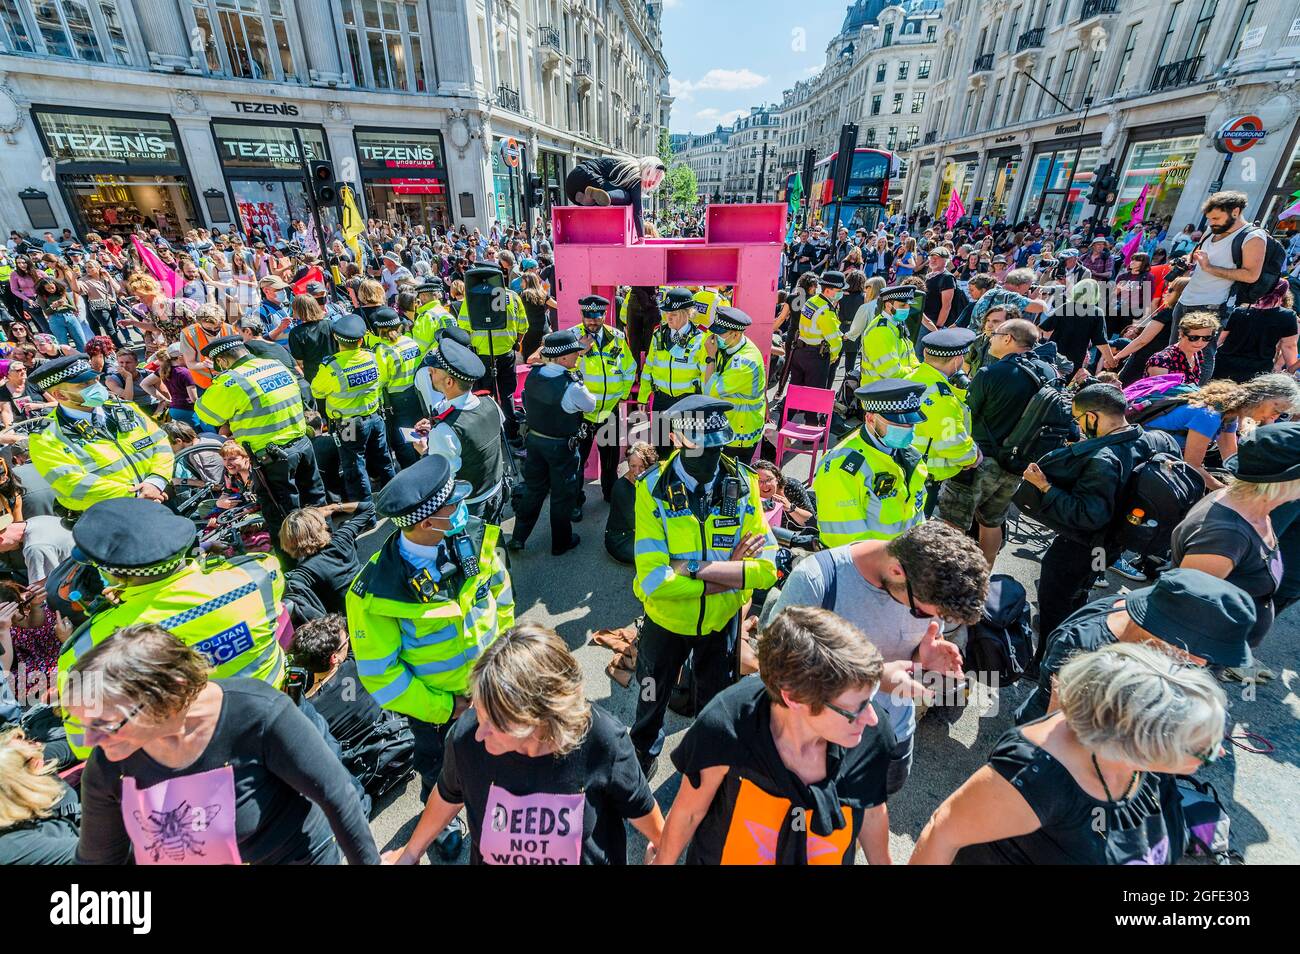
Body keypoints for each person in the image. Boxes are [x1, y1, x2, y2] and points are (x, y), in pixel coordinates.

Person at [68, 624, 378, 865]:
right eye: (83, 725)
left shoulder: (259, 713)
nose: (91, 741)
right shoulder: (108, 764)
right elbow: (97, 860)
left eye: (106, 725)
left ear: (171, 694)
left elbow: (337, 797)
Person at [911, 643, 1226, 865]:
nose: (1219, 751)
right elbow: (943, 832)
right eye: (1206, 749)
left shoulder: (1147, 765)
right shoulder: (1037, 777)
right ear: (1142, 742)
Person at [347, 454, 513, 857]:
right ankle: (443, 817)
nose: (463, 510)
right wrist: (446, 708)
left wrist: (506, 664)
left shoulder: (477, 539)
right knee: (439, 765)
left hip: (494, 688)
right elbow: (381, 675)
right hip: (437, 711)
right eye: (452, 505)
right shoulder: (374, 593)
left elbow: (502, 601)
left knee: (500, 752)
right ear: (426, 522)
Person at [385, 623, 663, 865]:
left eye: (494, 724)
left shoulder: (601, 739)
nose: (479, 733)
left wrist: (662, 848)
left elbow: (640, 806)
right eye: (478, 713)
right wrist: (410, 853)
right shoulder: (467, 737)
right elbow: (448, 794)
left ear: (537, 718)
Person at [653, 606, 893, 865]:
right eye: (855, 708)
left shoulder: (870, 736)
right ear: (794, 699)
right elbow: (689, 812)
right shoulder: (726, 728)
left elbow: (871, 810)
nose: (872, 718)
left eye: (869, 699)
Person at [766, 521, 988, 795]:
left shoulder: (924, 588)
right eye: (921, 612)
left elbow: (910, 654)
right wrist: (874, 678)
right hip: (823, 746)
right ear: (897, 571)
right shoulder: (817, 581)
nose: (929, 620)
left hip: (893, 737)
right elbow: (775, 671)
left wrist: (923, 657)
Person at [55, 497, 288, 758]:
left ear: (112, 573)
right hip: (283, 722)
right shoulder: (259, 574)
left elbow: (83, 744)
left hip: (201, 765)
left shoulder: (87, 648)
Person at [629, 394, 778, 775]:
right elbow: (653, 579)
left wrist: (691, 569)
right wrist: (726, 571)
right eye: (702, 448)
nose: (712, 457)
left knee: (716, 700)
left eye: (717, 446)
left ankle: (709, 764)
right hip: (666, 623)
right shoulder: (652, 489)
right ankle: (642, 755)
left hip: (721, 623)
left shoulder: (743, 484)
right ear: (678, 440)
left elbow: (765, 570)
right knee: (651, 695)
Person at [1018, 384, 1178, 644]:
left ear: (1092, 417)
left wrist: (1044, 487)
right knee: (1084, 585)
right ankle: (1069, 627)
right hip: (1113, 547)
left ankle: (1047, 657)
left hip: (1081, 546)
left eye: (1078, 419)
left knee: (1055, 596)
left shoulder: (1103, 459)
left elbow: (1088, 516)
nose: (1079, 427)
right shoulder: (1158, 440)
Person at [1015, 569, 1255, 725]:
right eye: (1204, 651)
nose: (1204, 663)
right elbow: (1056, 727)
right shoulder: (1083, 648)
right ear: (1168, 635)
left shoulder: (1152, 621)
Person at [1172, 421, 1300, 678]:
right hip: (1192, 664)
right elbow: (1178, 615)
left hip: (1218, 651)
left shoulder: (1255, 509)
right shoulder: (1226, 536)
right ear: (1284, 481)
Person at [938, 318, 1052, 566]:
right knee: (992, 522)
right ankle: (983, 575)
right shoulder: (1046, 372)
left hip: (979, 462)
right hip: (1016, 464)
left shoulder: (991, 373)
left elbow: (968, 414)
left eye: (996, 334)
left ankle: (943, 579)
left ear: (1009, 338)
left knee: (952, 523)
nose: (991, 338)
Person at [195, 334, 324, 543]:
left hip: (272, 459)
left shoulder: (232, 381)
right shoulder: (275, 364)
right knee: (316, 504)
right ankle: (328, 548)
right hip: (302, 445)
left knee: (284, 520)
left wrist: (217, 380)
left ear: (222, 361)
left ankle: (296, 567)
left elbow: (205, 413)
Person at [26, 355, 174, 517]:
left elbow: (160, 442)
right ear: (60, 395)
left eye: (95, 380)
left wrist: (156, 481)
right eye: (84, 384)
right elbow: (70, 482)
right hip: (112, 515)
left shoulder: (126, 408)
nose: (96, 386)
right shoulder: (45, 436)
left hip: (159, 496)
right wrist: (135, 494)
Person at [289, 614, 415, 801]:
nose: (348, 642)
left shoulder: (304, 711)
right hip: (406, 747)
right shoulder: (360, 667)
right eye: (345, 641)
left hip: (365, 780)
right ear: (334, 658)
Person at [507, 329, 595, 556]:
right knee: (561, 495)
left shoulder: (535, 375)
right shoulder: (572, 385)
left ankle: (518, 537)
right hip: (560, 447)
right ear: (563, 358)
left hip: (535, 442)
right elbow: (590, 405)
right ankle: (561, 542)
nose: (578, 355)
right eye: (575, 353)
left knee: (533, 490)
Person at [813, 380, 929, 547]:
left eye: (911, 422)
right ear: (870, 419)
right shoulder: (841, 466)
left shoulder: (909, 455)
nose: (907, 428)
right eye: (898, 422)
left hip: (908, 559)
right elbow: (846, 542)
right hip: (872, 568)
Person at [1141, 374, 1300, 492]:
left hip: (1159, 454)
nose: (1275, 417)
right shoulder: (1210, 414)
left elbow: (1232, 459)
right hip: (1143, 452)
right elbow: (1192, 465)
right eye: (1277, 410)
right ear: (1263, 397)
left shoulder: (1230, 413)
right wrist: (1227, 491)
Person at [1176, 191, 1268, 383]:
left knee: (1202, 355)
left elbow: (1251, 275)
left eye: (1216, 218)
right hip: (1187, 298)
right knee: (1177, 350)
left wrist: (1209, 267)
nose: (1212, 223)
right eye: (1209, 219)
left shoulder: (1253, 237)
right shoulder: (1212, 231)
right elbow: (1195, 256)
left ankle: (1191, 397)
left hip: (1213, 305)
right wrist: (1186, 260)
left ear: (1235, 212)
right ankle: (1171, 393)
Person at [310, 313, 395, 501]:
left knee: (355, 467)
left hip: (349, 424)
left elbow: (316, 391)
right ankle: (395, 499)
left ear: (336, 338)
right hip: (374, 417)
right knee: (384, 461)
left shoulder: (331, 367)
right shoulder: (372, 357)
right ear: (361, 339)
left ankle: (365, 513)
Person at [420, 336, 504, 517]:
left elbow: (442, 479)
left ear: (449, 382)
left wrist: (425, 451)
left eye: (433, 371)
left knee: (477, 546)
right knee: (493, 543)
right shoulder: (490, 403)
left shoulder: (445, 431)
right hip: (497, 491)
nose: (430, 374)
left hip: (471, 508)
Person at [574, 294, 636, 517]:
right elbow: (564, 372)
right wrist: (579, 353)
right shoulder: (572, 337)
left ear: (604, 315)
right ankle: (575, 502)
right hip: (582, 414)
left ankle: (610, 494)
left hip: (609, 411)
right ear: (582, 314)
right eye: (588, 316)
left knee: (610, 460)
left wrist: (622, 394)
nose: (592, 321)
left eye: (597, 316)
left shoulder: (617, 336)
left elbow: (630, 367)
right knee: (577, 461)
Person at [907, 328, 979, 510]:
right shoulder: (942, 399)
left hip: (906, 469)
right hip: (924, 478)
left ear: (924, 353)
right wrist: (973, 456)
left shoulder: (910, 377)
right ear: (957, 360)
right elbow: (953, 445)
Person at [457, 267, 526, 445]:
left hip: (481, 357)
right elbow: (522, 327)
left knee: (481, 396)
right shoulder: (513, 297)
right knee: (507, 395)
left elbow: (463, 329)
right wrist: (514, 343)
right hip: (506, 354)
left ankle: (487, 436)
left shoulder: (470, 299)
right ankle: (512, 436)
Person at [637, 287, 707, 457]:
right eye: (666, 312)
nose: (668, 316)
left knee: (690, 453)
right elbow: (649, 368)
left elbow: (705, 376)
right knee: (661, 450)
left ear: (687, 313)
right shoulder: (658, 335)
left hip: (689, 403)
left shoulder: (701, 339)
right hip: (662, 401)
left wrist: (706, 405)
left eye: (674, 313)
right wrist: (642, 396)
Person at [279, 502, 376, 617]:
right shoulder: (342, 539)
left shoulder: (303, 574)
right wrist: (333, 507)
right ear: (321, 527)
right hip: (373, 597)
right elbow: (368, 507)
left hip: (352, 619)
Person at [0, 726, 80, 864]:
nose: (38, 745)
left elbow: (78, 746)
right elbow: (102, 852)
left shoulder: (31, 761)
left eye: (28, 740)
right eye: (30, 744)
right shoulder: (17, 847)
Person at [702, 306, 768, 460]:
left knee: (733, 481)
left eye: (720, 333)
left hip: (739, 435)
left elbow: (710, 390)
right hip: (727, 426)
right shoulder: (731, 346)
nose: (715, 336)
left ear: (736, 334)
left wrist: (710, 357)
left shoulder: (744, 362)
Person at [371, 307, 426, 470]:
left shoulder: (382, 350)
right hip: (416, 394)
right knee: (420, 432)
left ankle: (412, 472)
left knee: (403, 440)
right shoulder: (410, 341)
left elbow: (381, 380)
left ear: (380, 329)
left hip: (397, 400)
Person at [1214, 279, 1298, 382]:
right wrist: (1291, 370)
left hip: (1224, 365)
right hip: (1257, 371)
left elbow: (1220, 339)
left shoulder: (1240, 311)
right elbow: (1289, 346)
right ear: (1284, 293)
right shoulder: (1287, 316)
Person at [564, 155, 666, 238]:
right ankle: (606, 195)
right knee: (628, 198)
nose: (652, 183)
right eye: (653, 178)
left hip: (572, 187)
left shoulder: (624, 165)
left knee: (607, 197)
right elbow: (638, 210)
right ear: (647, 171)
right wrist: (641, 236)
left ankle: (587, 199)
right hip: (587, 175)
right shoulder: (635, 175)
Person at [1040, 278, 1113, 379]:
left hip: (1054, 353)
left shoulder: (1066, 307)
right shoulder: (1096, 312)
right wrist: (1111, 361)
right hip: (1074, 359)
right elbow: (1100, 341)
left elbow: (1045, 328)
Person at [788, 270, 844, 391]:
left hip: (800, 351)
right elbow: (835, 342)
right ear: (828, 291)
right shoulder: (826, 311)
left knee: (796, 392)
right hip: (816, 357)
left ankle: (790, 410)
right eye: (839, 291)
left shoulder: (812, 301)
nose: (842, 293)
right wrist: (833, 357)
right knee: (813, 397)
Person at [858, 285, 921, 386]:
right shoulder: (880, 331)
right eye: (903, 305)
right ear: (888, 305)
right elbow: (890, 372)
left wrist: (918, 368)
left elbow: (910, 355)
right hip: (878, 394)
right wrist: (913, 372)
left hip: (893, 388)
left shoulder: (897, 324)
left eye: (909, 305)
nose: (907, 309)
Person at [605, 441, 656, 565]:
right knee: (660, 555)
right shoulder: (621, 488)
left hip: (637, 532)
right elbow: (638, 523)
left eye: (642, 466)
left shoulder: (647, 479)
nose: (637, 471)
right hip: (622, 540)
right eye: (633, 466)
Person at [0, 512, 73, 586]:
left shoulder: (34, 548)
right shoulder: (39, 519)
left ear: (0, 540)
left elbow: (42, 589)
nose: (3, 552)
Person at [286, 292, 337, 395]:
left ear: (298, 310)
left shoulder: (296, 333)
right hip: (335, 371)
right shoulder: (331, 324)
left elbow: (299, 362)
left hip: (314, 376)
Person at [1145, 310, 1219, 381]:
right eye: (1193, 338)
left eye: (1207, 338)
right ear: (1181, 334)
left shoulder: (1197, 353)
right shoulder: (1162, 361)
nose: (1200, 342)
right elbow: (1159, 392)